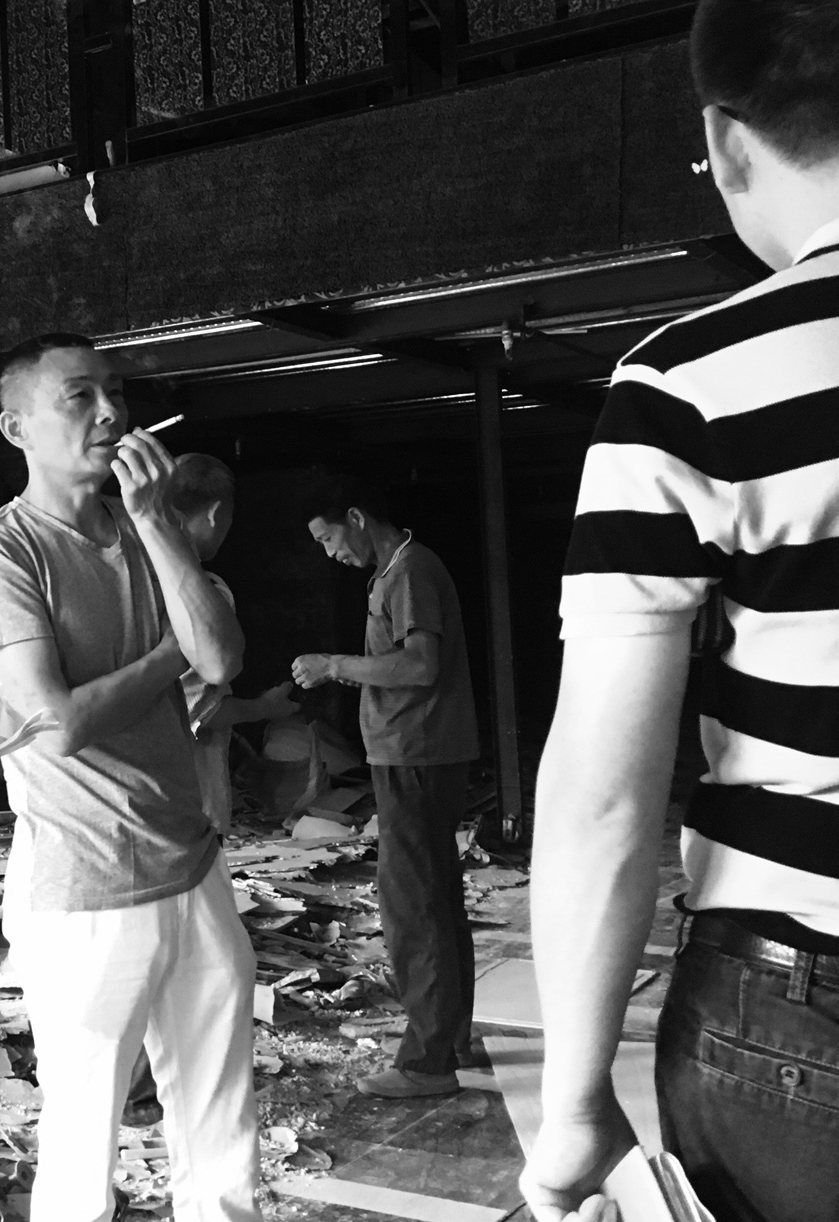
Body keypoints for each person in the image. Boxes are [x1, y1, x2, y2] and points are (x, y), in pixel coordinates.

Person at [522, 3, 839, 1218]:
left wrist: (569, 1109)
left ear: (723, 140)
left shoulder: (689, 384)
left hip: (797, 1010)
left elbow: (603, 789)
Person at [0, 333, 260, 1222]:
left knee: (222, 1134)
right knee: (84, 1149)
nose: (110, 413)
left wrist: (158, 522)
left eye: (116, 393)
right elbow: (56, 725)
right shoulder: (0, 551)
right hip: (86, 888)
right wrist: (170, 653)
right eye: (78, 397)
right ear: (17, 428)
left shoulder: (145, 528)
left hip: (191, 865)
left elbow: (224, 658)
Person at [292, 475, 479, 1098]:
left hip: (416, 753)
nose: (331, 554)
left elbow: (421, 665)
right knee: (435, 897)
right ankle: (451, 1038)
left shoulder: (409, 570)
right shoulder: (392, 573)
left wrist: (334, 665)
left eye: (328, 539)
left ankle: (428, 1063)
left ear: (355, 515)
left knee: (412, 905)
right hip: (415, 752)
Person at [164, 453, 296, 835]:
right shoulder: (205, 597)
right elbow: (198, 712)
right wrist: (266, 708)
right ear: (216, 513)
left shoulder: (130, 585)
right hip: (190, 802)